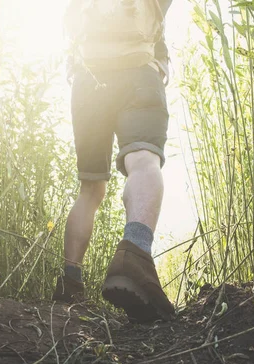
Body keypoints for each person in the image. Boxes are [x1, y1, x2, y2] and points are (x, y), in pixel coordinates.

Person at [52, 0, 175, 323]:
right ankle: (134, 253)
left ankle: (70, 282)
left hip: (89, 77)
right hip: (137, 71)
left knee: (90, 188)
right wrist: (160, 63)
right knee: (144, 159)